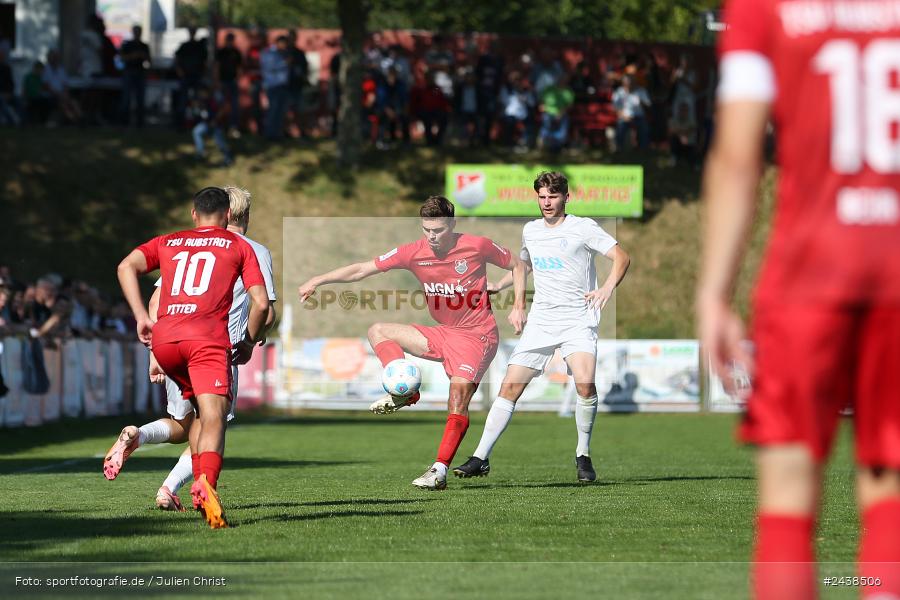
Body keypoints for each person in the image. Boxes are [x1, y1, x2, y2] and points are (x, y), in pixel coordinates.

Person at [698, 1, 900, 598]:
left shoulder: (762, 8)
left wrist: (714, 291)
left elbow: (739, 155)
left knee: (787, 493)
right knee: (889, 488)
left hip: (808, 274)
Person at [298, 196, 527, 490]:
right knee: (379, 330)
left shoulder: (477, 245)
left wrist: (518, 306)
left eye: (438, 230)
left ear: (452, 225)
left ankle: (439, 471)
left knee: (457, 398)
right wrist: (318, 279)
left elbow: (518, 265)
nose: (432, 236)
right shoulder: (414, 252)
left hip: (477, 336)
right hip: (444, 332)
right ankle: (405, 391)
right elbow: (362, 269)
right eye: (426, 230)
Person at [103, 186, 277, 512]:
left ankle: (172, 479)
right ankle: (205, 487)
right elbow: (263, 305)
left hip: (166, 341)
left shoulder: (170, 241)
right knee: (213, 419)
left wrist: (142, 320)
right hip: (209, 343)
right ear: (229, 214)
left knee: (190, 423)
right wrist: (249, 342)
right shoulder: (242, 246)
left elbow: (127, 268)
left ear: (193, 214)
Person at [454, 172, 630, 482]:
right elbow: (524, 266)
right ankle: (480, 457)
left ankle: (583, 454)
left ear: (566, 197)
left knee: (585, 385)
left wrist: (606, 288)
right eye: (542, 197)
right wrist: (503, 288)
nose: (547, 202)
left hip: (578, 319)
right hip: (542, 321)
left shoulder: (583, 227)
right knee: (510, 387)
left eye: (553, 196)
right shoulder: (531, 230)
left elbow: (622, 257)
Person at [190, 84, 234, 166]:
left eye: (202, 93)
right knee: (196, 132)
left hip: (216, 125)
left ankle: (228, 158)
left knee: (220, 142)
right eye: (200, 93)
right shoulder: (201, 101)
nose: (201, 94)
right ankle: (200, 153)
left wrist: (215, 121)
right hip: (206, 124)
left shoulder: (212, 100)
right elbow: (200, 112)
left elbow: (221, 111)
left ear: (207, 92)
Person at [119, 25, 150, 128]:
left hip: (140, 72)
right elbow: (121, 58)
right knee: (126, 98)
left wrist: (143, 56)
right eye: (136, 31)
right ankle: (124, 122)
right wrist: (133, 56)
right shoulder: (127, 44)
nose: (137, 34)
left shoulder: (144, 46)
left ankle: (139, 123)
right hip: (129, 72)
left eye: (139, 32)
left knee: (140, 98)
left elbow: (149, 60)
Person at [260, 35, 290, 140]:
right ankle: (269, 134)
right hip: (273, 85)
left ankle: (277, 133)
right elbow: (269, 67)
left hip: (282, 85)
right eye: (284, 44)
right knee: (273, 109)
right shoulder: (269, 53)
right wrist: (284, 63)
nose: (285, 46)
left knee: (280, 111)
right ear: (278, 43)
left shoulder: (283, 53)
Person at [215, 32, 243, 134]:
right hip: (223, 81)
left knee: (234, 106)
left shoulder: (236, 52)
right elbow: (216, 67)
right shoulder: (221, 52)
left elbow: (239, 68)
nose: (230, 42)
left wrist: (237, 79)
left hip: (233, 81)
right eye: (229, 40)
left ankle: (233, 127)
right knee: (221, 105)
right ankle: (220, 126)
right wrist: (217, 81)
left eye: (231, 40)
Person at [611, 75, 650, 151]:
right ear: (623, 83)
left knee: (644, 128)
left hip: (639, 117)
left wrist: (641, 102)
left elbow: (648, 106)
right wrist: (624, 116)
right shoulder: (619, 92)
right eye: (627, 82)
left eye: (631, 82)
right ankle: (619, 148)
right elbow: (616, 108)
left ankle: (643, 149)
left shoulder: (641, 91)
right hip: (624, 117)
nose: (629, 84)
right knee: (620, 127)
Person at [538, 74, 574, 152]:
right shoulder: (549, 89)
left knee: (563, 125)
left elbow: (569, 106)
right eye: (560, 80)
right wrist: (543, 106)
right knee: (546, 122)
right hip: (548, 113)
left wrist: (561, 113)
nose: (562, 82)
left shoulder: (568, 92)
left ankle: (557, 145)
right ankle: (543, 144)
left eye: (564, 80)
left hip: (562, 114)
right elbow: (541, 102)